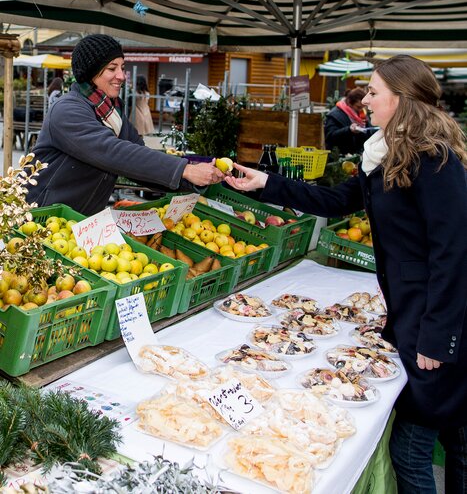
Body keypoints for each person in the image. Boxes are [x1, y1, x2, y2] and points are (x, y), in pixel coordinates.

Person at [225, 55, 467, 494]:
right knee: (456, 435)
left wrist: (438, 336)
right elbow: (337, 201)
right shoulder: (385, 154)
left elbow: (454, 254)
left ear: (403, 98)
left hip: (438, 323)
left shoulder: (435, 161)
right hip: (411, 314)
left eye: (374, 92)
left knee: (414, 449)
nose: (365, 100)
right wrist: (266, 183)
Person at [27, 34, 225, 216]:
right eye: (112, 69)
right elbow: (114, 152)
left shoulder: (113, 111)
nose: (121, 76)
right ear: (90, 73)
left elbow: (138, 159)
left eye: (122, 67)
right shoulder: (67, 110)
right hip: (41, 216)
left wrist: (192, 176)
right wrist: (184, 169)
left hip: (79, 221)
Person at [324, 87, 374, 155]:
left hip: (358, 154)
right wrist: (349, 130)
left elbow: (369, 133)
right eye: (358, 107)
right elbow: (330, 136)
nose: (361, 110)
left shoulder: (362, 114)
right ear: (349, 103)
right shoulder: (334, 115)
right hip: (340, 156)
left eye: (363, 107)